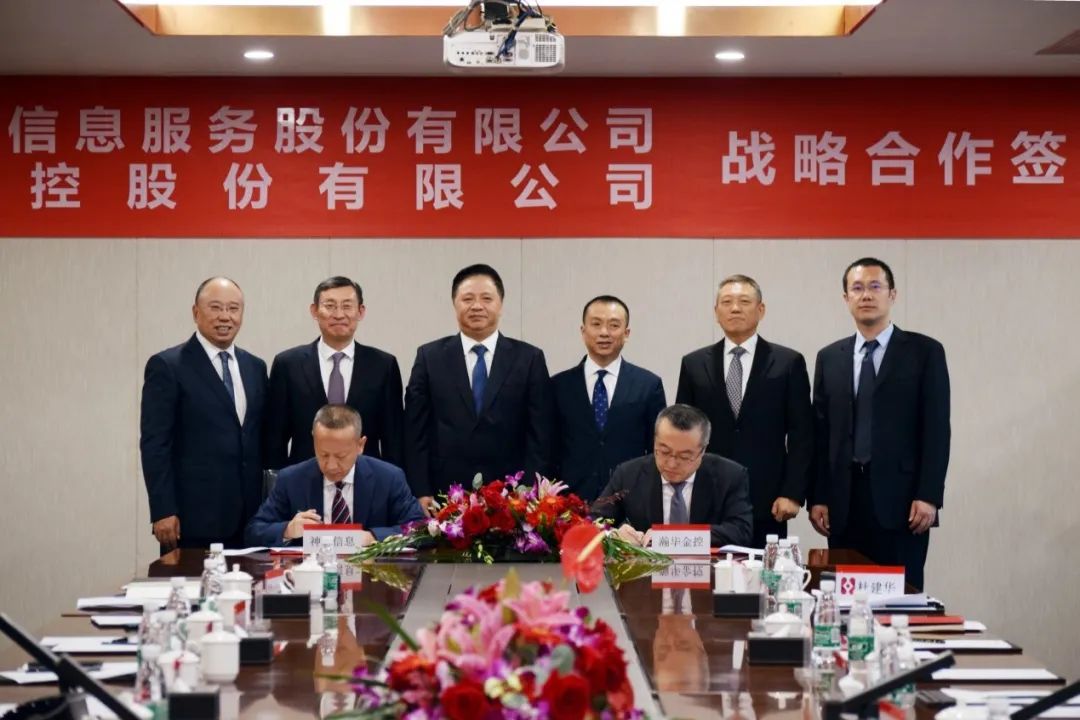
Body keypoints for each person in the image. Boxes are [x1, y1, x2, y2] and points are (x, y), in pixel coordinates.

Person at [809, 257, 950, 591]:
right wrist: (818, 497)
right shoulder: (829, 358)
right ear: (846, 298)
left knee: (901, 596)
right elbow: (820, 434)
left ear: (892, 294)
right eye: (857, 288)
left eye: (875, 286)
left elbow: (936, 430)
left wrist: (929, 495)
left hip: (903, 503)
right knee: (844, 595)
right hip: (844, 503)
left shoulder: (924, 352)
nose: (866, 295)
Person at [404, 263, 553, 515]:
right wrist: (420, 489)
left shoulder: (529, 358)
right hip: (444, 493)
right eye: (467, 299)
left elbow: (540, 434)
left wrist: (529, 490)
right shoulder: (430, 357)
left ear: (500, 304)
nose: (476, 306)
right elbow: (414, 431)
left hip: (512, 496)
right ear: (455, 304)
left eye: (486, 298)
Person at [676, 274, 813, 547]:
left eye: (744, 302)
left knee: (764, 572)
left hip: (768, 498)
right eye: (727, 302)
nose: (735, 308)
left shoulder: (788, 362)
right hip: (707, 494)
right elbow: (683, 432)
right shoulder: (694, 364)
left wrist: (793, 493)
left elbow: (803, 434)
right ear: (716, 312)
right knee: (707, 571)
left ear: (761, 309)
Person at [140, 277, 267, 551]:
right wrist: (163, 509)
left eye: (233, 308)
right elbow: (155, 444)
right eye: (215, 307)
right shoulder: (168, 366)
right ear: (196, 312)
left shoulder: (255, 367)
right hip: (192, 519)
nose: (225, 316)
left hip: (250, 519)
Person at [264, 276, 404, 470]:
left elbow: (394, 439)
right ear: (314, 310)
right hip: (304, 479)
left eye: (347, 306)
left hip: (366, 479)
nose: (338, 314)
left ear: (361, 311)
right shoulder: (287, 364)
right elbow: (274, 438)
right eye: (329, 306)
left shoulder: (383, 365)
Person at [245, 404, 424, 547]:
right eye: (323, 454)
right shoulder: (291, 479)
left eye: (341, 456)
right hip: (310, 575)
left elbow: (421, 529)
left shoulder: (389, 478)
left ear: (360, 445)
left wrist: (372, 537)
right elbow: (254, 531)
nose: (331, 466)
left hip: (370, 575)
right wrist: (288, 530)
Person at [550, 295, 666, 502]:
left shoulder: (648, 385)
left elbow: (657, 448)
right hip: (571, 500)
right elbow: (548, 448)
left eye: (614, 325)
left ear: (626, 333)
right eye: (596, 324)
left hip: (630, 499)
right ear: (583, 331)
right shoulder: (558, 385)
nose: (604, 332)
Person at [592, 404, 753, 548]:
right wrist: (613, 535)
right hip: (646, 569)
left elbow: (741, 531)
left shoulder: (730, 476)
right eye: (664, 451)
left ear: (702, 451)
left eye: (684, 456)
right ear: (654, 442)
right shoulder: (628, 474)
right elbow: (592, 521)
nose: (671, 463)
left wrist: (670, 537)